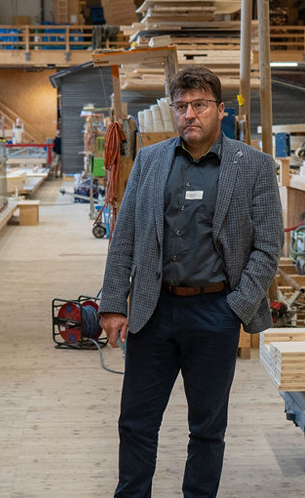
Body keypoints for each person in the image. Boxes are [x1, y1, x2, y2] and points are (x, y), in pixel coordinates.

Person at [99, 66, 284, 498]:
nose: (189, 114)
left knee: (206, 428)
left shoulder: (253, 166)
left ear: (220, 109)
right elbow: (125, 235)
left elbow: (268, 245)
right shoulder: (150, 160)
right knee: (136, 422)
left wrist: (237, 307)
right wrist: (114, 303)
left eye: (199, 105)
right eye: (180, 106)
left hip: (215, 313)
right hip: (154, 310)